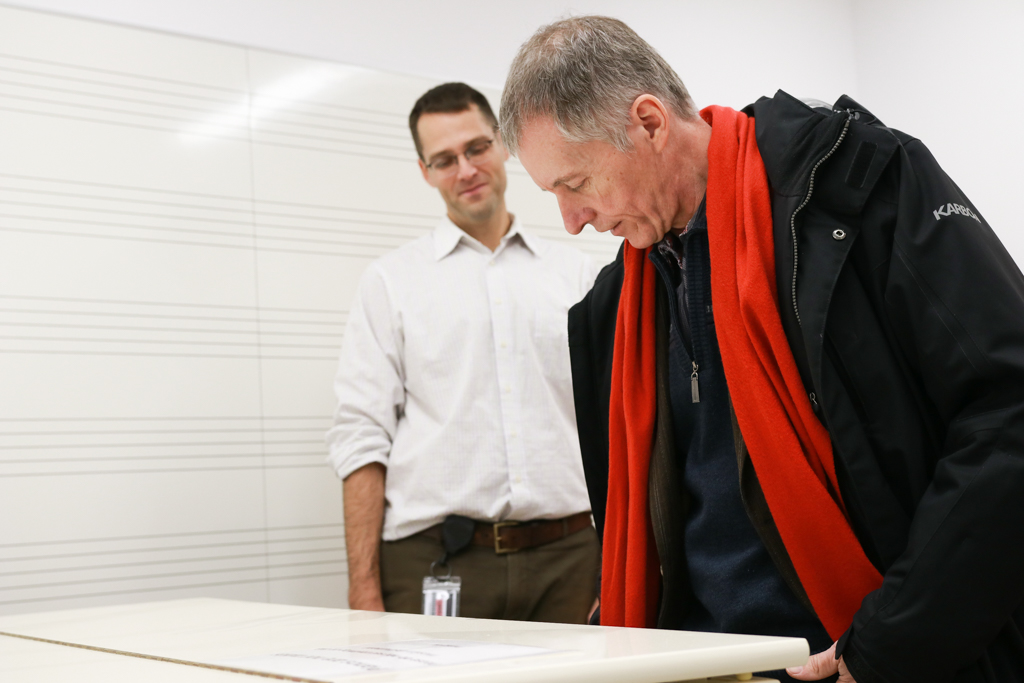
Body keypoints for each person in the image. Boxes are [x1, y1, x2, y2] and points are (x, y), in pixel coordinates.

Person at [499, 15, 1024, 683]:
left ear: (650, 124)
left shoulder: (855, 187)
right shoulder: (613, 308)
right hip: (701, 666)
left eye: (574, 184)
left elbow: (1009, 413)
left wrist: (890, 642)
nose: (572, 219)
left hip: (863, 659)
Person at [327, 82, 600, 624]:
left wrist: (623, 565)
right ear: (425, 171)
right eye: (445, 159)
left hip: (572, 560)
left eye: (476, 148)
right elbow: (361, 439)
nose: (466, 169)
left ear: (502, 144)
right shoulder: (390, 282)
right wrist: (363, 596)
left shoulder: (579, 277)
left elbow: (623, 427)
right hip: (435, 560)